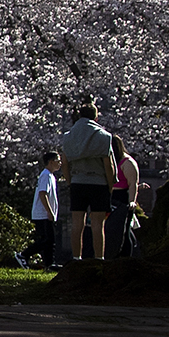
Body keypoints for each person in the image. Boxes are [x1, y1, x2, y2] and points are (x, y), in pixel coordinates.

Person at [60, 100, 115, 264]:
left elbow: (64, 163)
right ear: (96, 118)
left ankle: (76, 258)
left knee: (77, 223)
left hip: (77, 181)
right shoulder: (103, 136)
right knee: (98, 224)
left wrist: (70, 182)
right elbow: (109, 164)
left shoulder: (69, 136)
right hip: (98, 183)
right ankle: (99, 258)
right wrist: (110, 185)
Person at [107, 134, 142, 259]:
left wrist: (132, 201)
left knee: (124, 230)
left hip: (122, 197)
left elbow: (133, 184)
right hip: (109, 197)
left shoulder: (127, 162)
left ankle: (126, 256)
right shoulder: (108, 160)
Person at [30, 152, 63, 266]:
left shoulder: (50, 176)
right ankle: (24, 254)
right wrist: (49, 211)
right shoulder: (46, 175)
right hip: (43, 214)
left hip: (45, 213)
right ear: (51, 162)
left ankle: (49, 264)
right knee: (47, 240)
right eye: (58, 161)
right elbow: (42, 193)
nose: (60, 163)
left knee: (49, 241)